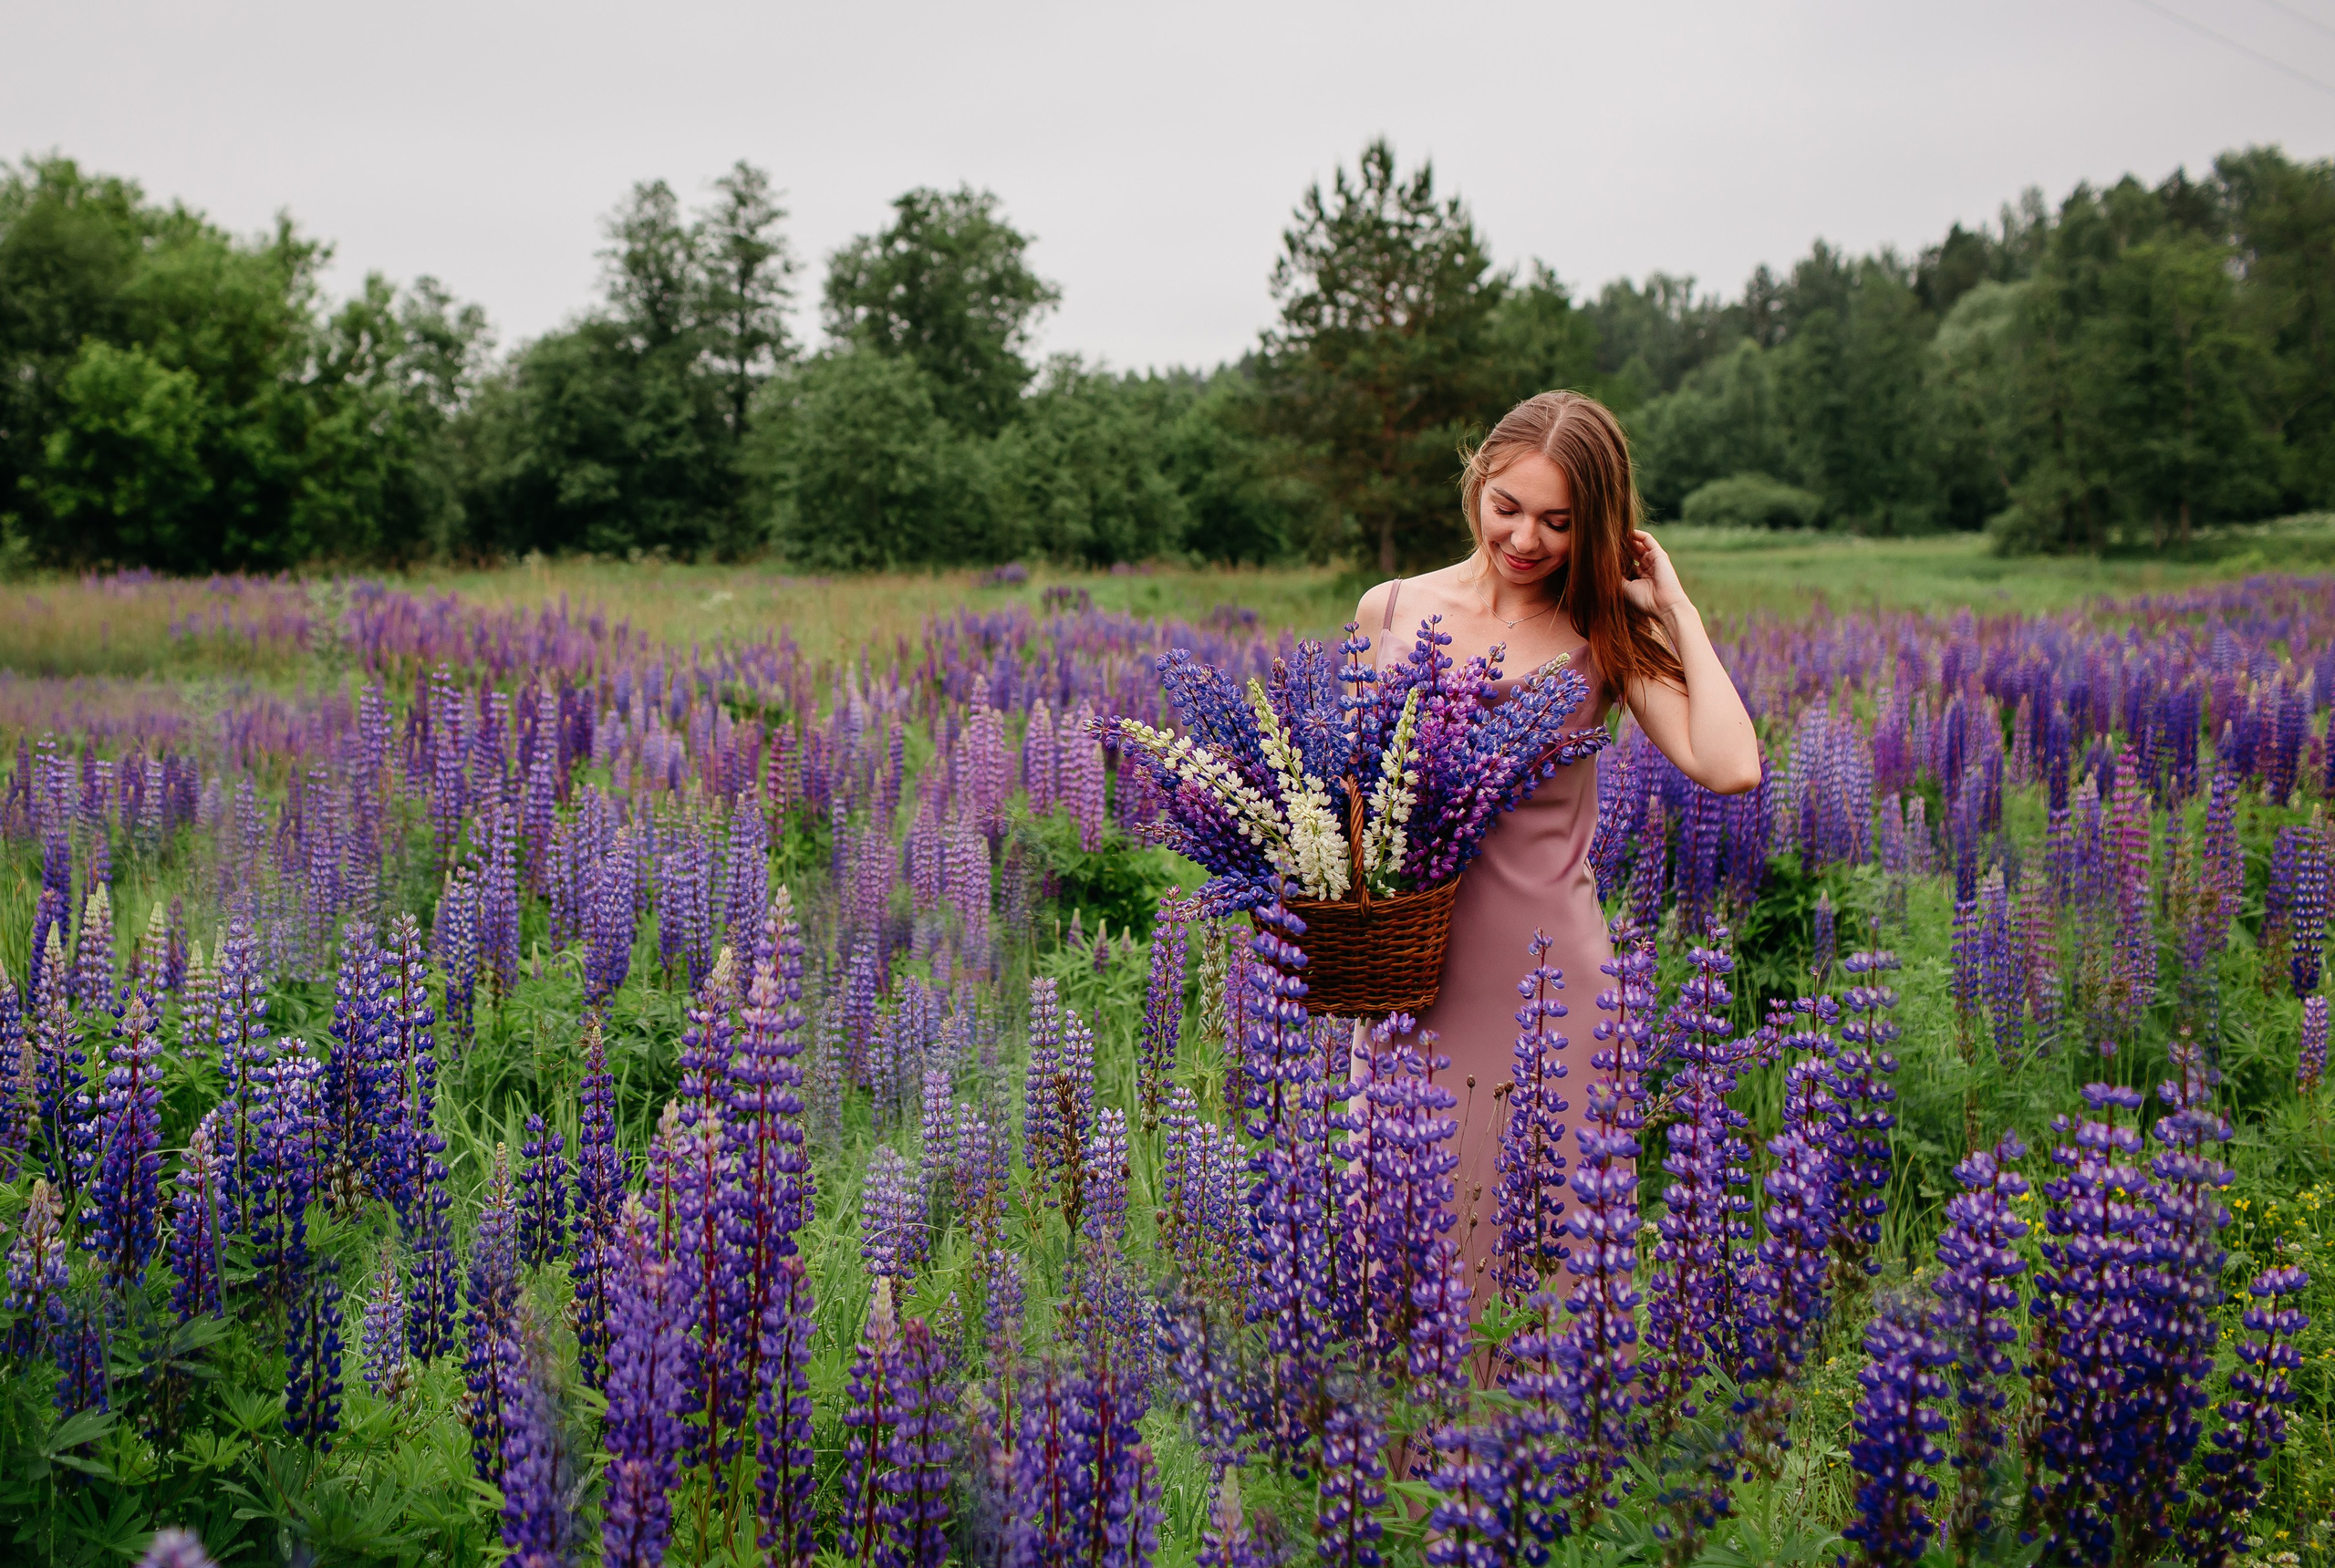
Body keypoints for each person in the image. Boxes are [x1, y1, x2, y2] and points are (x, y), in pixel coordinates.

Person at [1353, 389, 1761, 1300]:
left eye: (1558, 521)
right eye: (1508, 507)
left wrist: (1675, 609)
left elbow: (1730, 765)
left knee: (1538, 1267)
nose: (1525, 538)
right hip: (1407, 977)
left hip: (1550, 986)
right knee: (1400, 1265)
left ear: (1598, 526)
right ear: (1476, 481)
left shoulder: (1600, 631)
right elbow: (1341, 788)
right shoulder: (1385, 610)